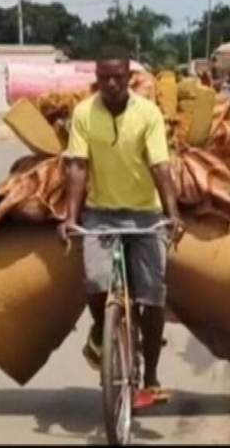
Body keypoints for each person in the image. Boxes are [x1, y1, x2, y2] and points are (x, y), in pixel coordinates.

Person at [58, 46, 184, 410]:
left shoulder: (148, 114)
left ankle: (152, 377)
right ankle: (104, 329)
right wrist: (71, 217)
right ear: (96, 79)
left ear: (129, 78)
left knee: (152, 294)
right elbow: (78, 167)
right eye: (104, 78)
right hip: (101, 213)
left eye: (118, 77)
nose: (111, 84)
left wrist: (172, 213)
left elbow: (160, 165)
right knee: (96, 283)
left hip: (145, 214)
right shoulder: (84, 113)